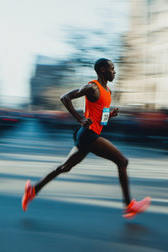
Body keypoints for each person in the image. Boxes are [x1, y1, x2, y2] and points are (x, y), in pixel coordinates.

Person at [22, 58, 150, 219]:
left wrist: (110, 115)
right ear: (102, 70)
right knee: (122, 161)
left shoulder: (108, 92)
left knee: (65, 167)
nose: (115, 72)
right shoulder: (92, 87)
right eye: (112, 68)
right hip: (88, 134)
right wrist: (79, 118)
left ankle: (33, 190)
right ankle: (129, 205)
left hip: (88, 133)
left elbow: (100, 119)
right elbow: (64, 97)